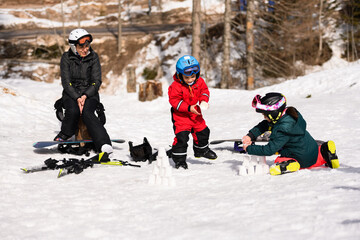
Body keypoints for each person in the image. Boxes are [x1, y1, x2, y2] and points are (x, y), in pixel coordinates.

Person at [242, 92, 339, 175]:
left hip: (300, 158)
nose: (264, 117)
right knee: (317, 154)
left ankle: (289, 163)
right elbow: (265, 125)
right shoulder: (290, 114)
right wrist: (250, 135)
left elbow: (269, 150)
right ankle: (325, 150)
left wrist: (249, 148)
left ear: (274, 113)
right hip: (313, 151)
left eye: (265, 115)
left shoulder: (282, 129)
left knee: (279, 160)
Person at [54, 28, 113, 154]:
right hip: (71, 93)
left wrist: (85, 95)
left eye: (87, 46)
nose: (86, 49)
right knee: (73, 110)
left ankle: (104, 143)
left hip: (90, 92)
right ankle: (65, 133)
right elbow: (66, 82)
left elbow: (96, 81)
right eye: (82, 47)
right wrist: (77, 97)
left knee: (87, 113)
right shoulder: (66, 58)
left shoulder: (93, 57)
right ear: (74, 47)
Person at [168, 55, 217, 169]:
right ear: (180, 75)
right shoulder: (175, 86)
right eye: (187, 78)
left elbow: (204, 91)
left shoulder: (199, 82)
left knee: (203, 131)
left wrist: (204, 101)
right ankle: (179, 160)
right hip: (181, 116)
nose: (190, 80)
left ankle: (201, 150)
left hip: (196, 114)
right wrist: (188, 107)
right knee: (182, 138)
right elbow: (174, 101)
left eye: (193, 76)